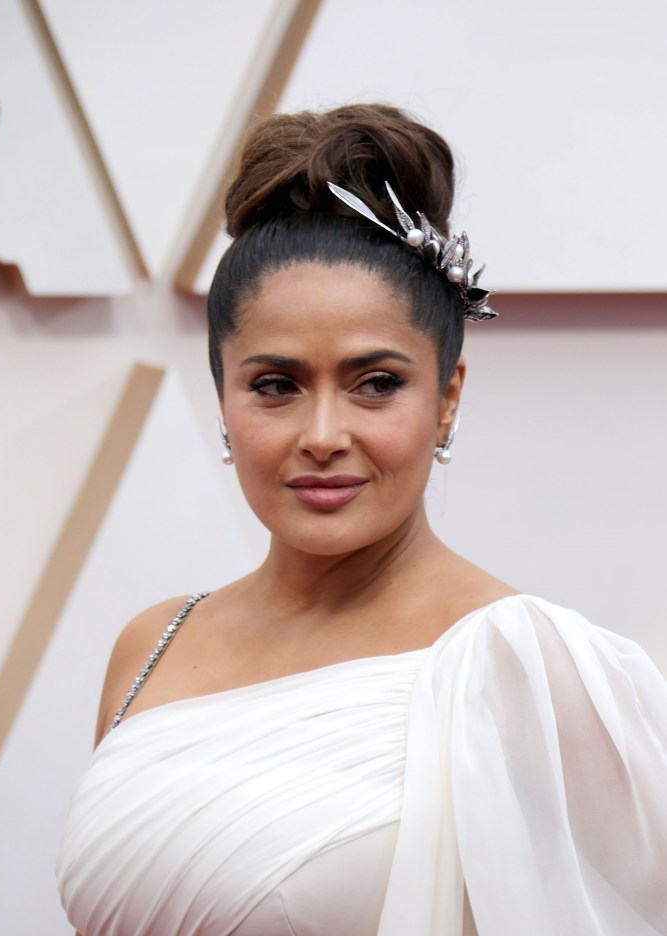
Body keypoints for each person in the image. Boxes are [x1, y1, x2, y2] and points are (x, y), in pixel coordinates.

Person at [56, 104, 667, 936]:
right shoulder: (154, 639)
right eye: (274, 386)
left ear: (446, 397)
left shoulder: (524, 662)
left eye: (375, 383)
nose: (321, 437)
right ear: (224, 398)